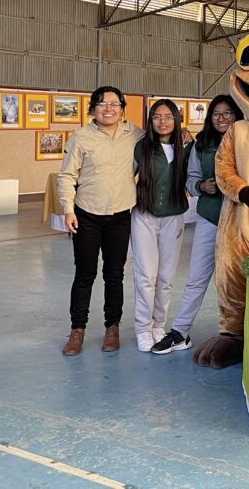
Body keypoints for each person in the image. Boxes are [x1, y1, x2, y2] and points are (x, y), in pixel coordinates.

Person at [152, 96, 243, 355]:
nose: (222, 118)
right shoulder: (201, 146)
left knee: (240, 280)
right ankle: (180, 331)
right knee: (197, 277)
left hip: (242, 221)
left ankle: (243, 333)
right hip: (210, 217)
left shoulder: (248, 141)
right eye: (216, 113)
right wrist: (201, 187)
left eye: (227, 113)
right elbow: (190, 180)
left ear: (237, 115)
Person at [57, 86, 144, 355]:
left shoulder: (136, 135)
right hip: (87, 215)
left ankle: (112, 328)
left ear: (122, 108)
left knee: (114, 275)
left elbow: (163, 137)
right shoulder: (81, 137)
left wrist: (184, 134)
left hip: (120, 216)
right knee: (84, 275)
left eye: (115, 104)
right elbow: (67, 176)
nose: (109, 109)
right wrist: (68, 209)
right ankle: (77, 331)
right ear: (93, 108)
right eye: (102, 104)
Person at [129, 99, 191, 352]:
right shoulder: (141, 147)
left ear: (177, 120)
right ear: (150, 120)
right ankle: (143, 328)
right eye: (157, 116)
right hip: (144, 216)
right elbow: (125, 177)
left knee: (166, 277)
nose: (162, 121)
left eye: (168, 116)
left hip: (173, 217)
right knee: (146, 275)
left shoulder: (186, 146)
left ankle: (158, 325)